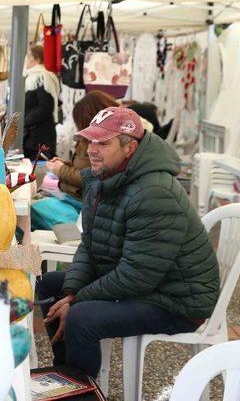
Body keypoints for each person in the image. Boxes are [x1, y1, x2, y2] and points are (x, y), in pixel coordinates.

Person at [36, 106, 220, 378]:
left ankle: (82, 391)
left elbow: (137, 276)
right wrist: (72, 291)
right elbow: (89, 244)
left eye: (103, 143)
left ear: (130, 148)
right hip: (145, 279)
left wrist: (77, 301)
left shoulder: (154, 192)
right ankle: (67, 376)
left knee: (81, 317)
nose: (91, 150)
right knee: (49, 286)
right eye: (91, 141)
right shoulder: (104, 177)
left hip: (178, 298)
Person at [46, 91, 119, 199]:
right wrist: (65, 165)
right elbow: (86, 167)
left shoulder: (109, 141)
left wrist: (62, 170)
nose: (90, 150)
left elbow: (96, 177)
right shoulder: (89, 139)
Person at [23, 44, 59, 160]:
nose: (26, 60)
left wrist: (23, 120)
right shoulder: (32, 77)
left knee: (38, 173)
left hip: (39, 138)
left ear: (36, 59)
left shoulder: (41, 77)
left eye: (28, 57)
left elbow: (45, 108)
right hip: (32, 137)